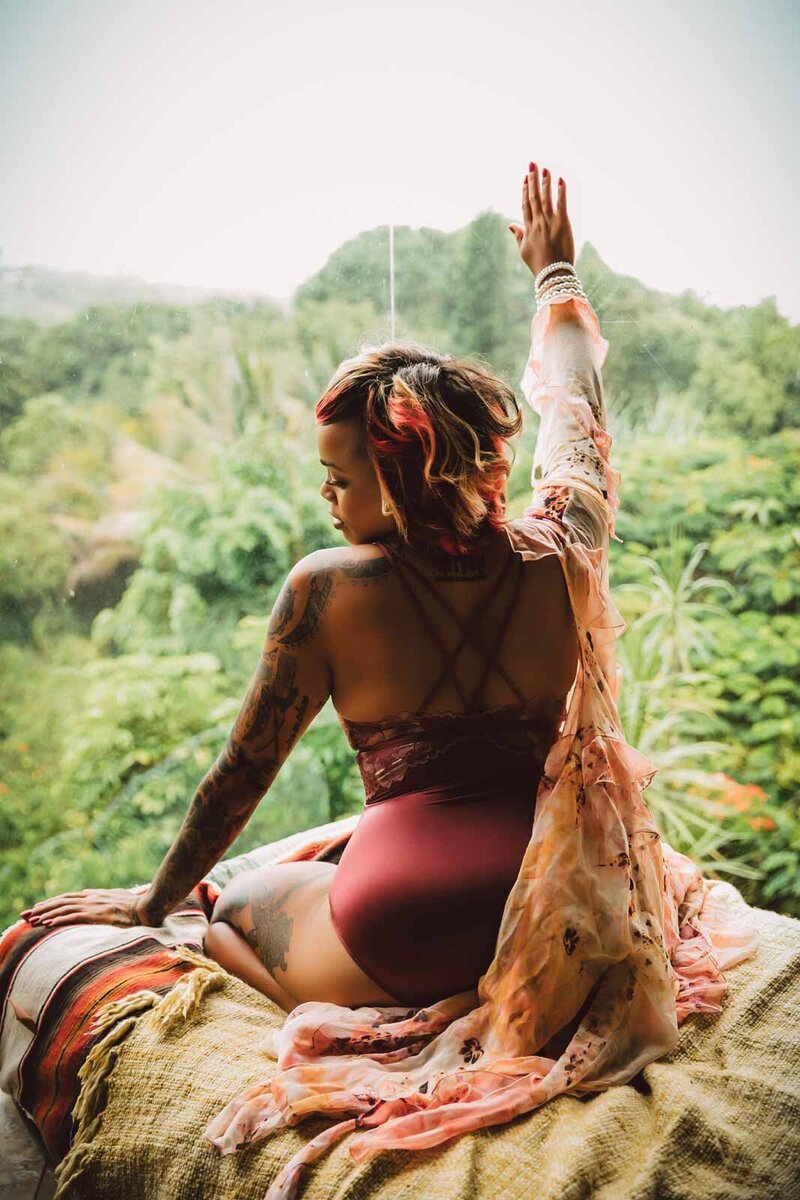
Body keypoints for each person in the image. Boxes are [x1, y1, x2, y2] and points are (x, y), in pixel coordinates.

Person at [21, 166, 759, 1199]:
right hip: (555, 911)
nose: (326, 501)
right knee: (282, 887)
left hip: (403, 922)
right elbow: (577, 409)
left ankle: (385, 1008)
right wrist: (552, 270)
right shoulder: (562, 550)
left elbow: (237, 777)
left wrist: (151, 899)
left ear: (401, 472)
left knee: (233, 906)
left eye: (339, 479)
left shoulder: (325, 592)